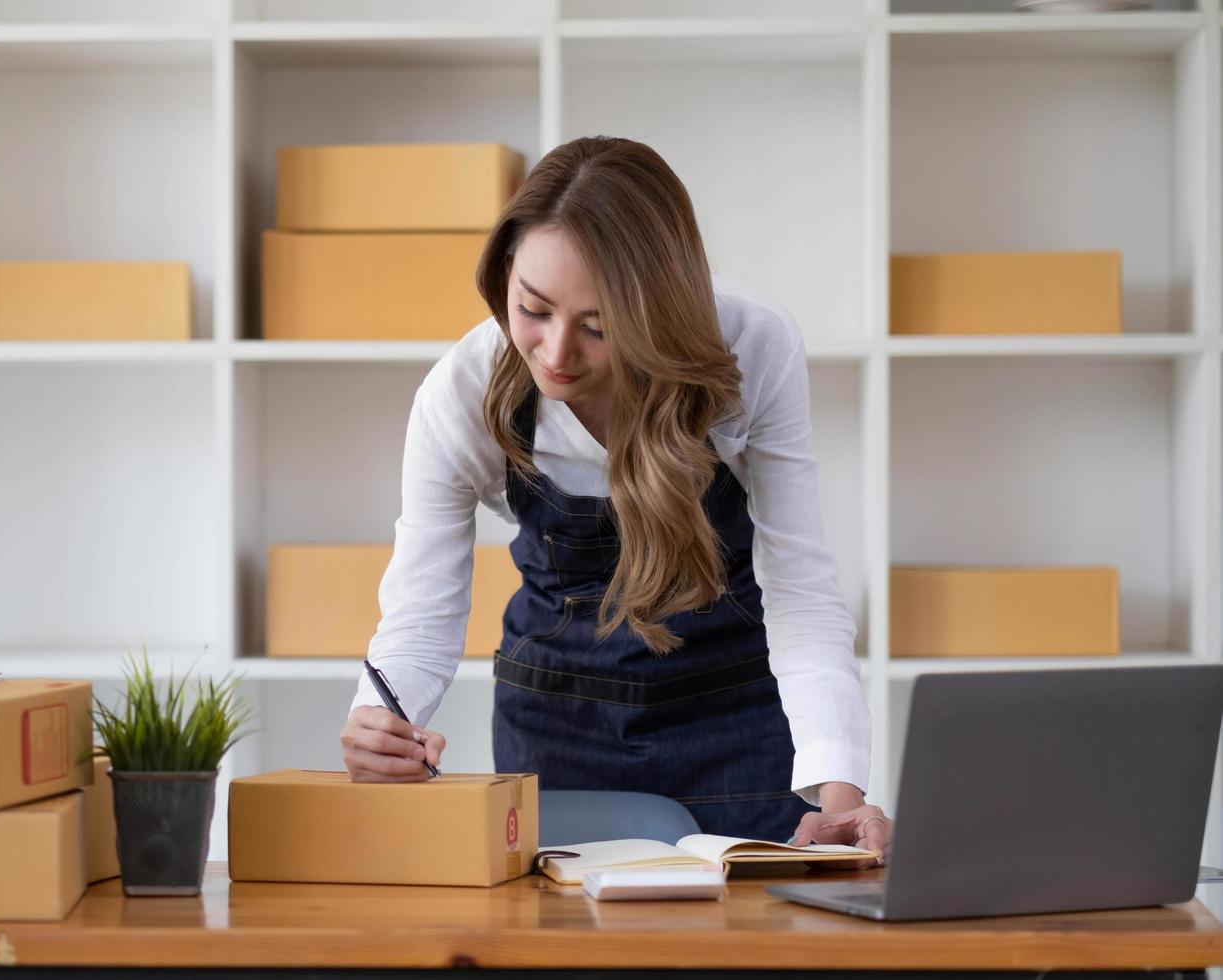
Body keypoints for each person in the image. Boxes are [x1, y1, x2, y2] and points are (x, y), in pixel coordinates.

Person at [337, 136, 890, 865]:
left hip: (737, 722)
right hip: (556, 728)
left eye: (598, 327)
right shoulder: (461, 391)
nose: (557, 353)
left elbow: (802, 592)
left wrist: (840, 798)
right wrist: (380, 720)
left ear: (658, 312)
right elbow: (421, 615)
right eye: (532, 308)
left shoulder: (750, 349)